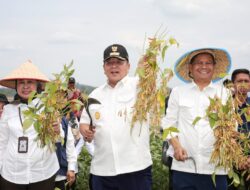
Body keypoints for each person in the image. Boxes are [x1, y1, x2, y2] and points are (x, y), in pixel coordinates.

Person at [80, 44, 152, 190]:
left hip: (135, 169)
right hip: (102, 171)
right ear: (104, 67)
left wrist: (148, 65)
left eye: (119, 62)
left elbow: (152, 82)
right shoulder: (95, 95)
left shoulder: (140, 88)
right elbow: (84, 123)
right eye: (109, 63)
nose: (114, 67)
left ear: (128, 65)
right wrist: (85, 131)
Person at [162, 48, 231, 190]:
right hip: (184, 167)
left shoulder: (225, 94)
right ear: (190, 68)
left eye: (208, 63)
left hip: (216, 169)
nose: (204, 66)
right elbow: (168, 123)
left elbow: (232, 126)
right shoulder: (178, 92)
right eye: (199, 63)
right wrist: (176, 146)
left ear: (214, 67)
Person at [0, 60, 60, 190]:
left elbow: (60, 137)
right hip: (12, 174)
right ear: (16, 85)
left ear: (38, 85)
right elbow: (2, 142)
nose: (25, 86)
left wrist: (57, 130)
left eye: (30, 82)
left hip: (42, 173)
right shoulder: (8, 110)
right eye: (21, 82)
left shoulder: (48, 108)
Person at [228, 68, 250, 190]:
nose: (243, 84)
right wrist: (237, 158)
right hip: (228, 161)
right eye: (239, 81)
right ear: (233, 84)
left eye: (246, 81)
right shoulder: (224, 106)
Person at [55, 116, 77, 190]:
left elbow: (71, 143)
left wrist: (71, 168)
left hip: (61, 173)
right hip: (41, 175)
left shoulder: (68, 119)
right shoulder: (38, 117)